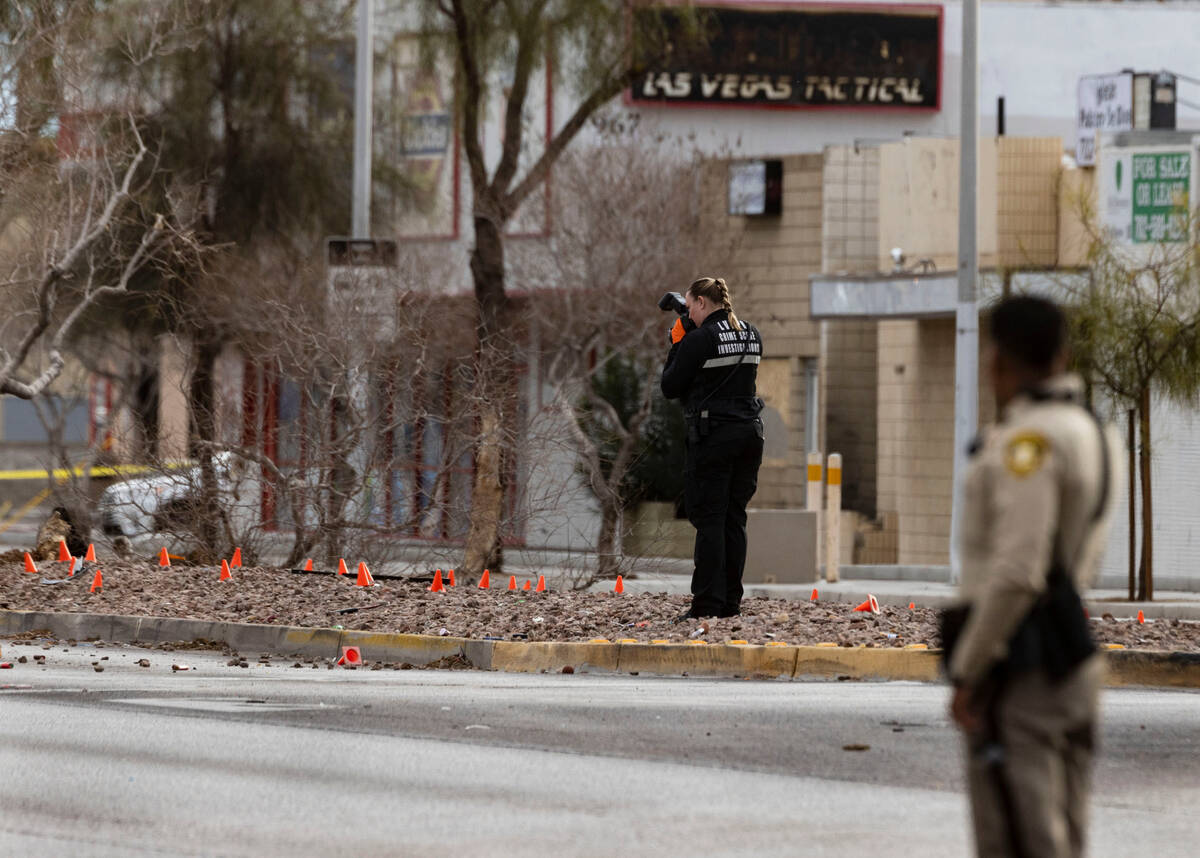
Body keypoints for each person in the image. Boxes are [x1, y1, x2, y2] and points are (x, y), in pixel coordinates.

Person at [948, 295, 1121, 858]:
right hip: (1068, 660)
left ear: (997, 360)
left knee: (1019, 841)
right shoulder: (1095, 433)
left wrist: (969, 669)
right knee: (1062, 837)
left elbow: (1019, 573)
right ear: (1062, 354)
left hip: (1021, 668)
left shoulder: (1030, 442)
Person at [661, 276, 764, 620]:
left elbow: (671, 386)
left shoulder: (697, 340)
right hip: (749, 436)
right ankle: (730, 602)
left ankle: (706, 605)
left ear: (702, 304)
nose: (687, 314)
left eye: (689, 307)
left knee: (710, 520)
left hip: (713, 437)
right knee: (734, 519)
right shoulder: (751, 333)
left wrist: (678, 342)